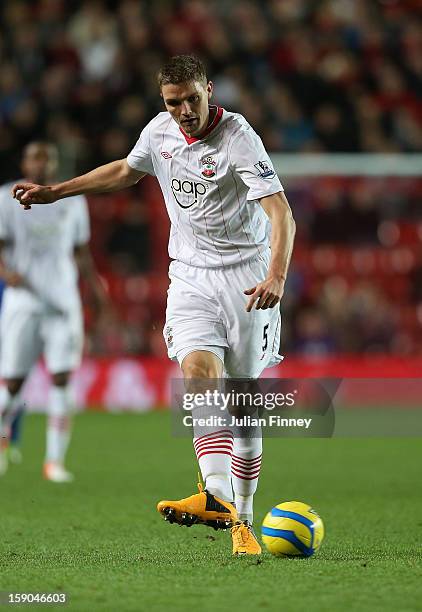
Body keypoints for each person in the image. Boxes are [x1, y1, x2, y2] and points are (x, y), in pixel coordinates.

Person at [13, 56, 296, 554]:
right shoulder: (159, 132)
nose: (184, 110)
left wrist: (276, 275)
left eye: (192, 98)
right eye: (173, 102)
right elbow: (126, 170)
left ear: (209, 89)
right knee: (198, 372)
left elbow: (281, 214)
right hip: (189, 277)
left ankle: (244, 517)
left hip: (248, 279)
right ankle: (214, 495)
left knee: (244, 406)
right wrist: (58, 191)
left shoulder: (239, 138)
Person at [0, 142, 107, 482]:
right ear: (24, 162)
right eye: (36, 157)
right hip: (24, 301)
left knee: (62, 378)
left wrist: (96, 288)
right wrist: (6, 273)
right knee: (13, 383)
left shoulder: (73, 200)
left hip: (63, 302)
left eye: (48, 159)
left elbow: (81, 251)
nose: (42, 164)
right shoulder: (6, 198)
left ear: (55, 165)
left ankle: (54, 462)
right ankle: (3, 439)